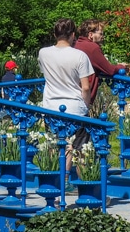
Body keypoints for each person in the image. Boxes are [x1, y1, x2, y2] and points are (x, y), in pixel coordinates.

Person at [38, 19, 95, 170]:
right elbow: (85, 87)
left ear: (54, 34)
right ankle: (69, 179)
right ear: (73, 35)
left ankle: (55, 176)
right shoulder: (79, 56)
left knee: (54, 143)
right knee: (78, 146)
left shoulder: (43, 53)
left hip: (51, 106)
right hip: (74, 106)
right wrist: (86, 105)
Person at [74, 19, 129, 109]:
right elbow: (110, 70)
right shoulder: (92, 48)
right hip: (83, 95)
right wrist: (121, 67)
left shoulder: (76, 44)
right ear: (91, 35)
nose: (103, 36)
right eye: (100, 33)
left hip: (73, 91)